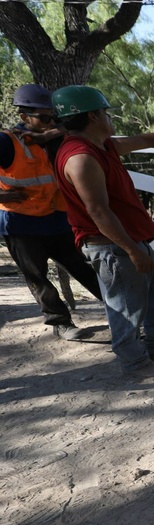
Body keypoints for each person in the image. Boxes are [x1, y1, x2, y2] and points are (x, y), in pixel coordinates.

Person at [51, 85, 154, 381]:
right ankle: (135, 364)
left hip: (129, 240)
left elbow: (144, 139)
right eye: (104, 112)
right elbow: (98, 212)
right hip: (113, 245)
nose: (108, 116)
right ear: (92, 116)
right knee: (125, 307)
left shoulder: (102, 145)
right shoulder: (81, 158)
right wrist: (131, 249)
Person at [0, 83, 102, 339]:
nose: (49, 123)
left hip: (58, 218)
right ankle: (61, 323)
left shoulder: (58, 137)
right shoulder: (6, 142)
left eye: (54, 117)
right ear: (24, 117)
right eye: (44, 118)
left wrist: (51, 132)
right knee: (37, 276)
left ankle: (120, 309)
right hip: (21, 222)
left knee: (85, 268)